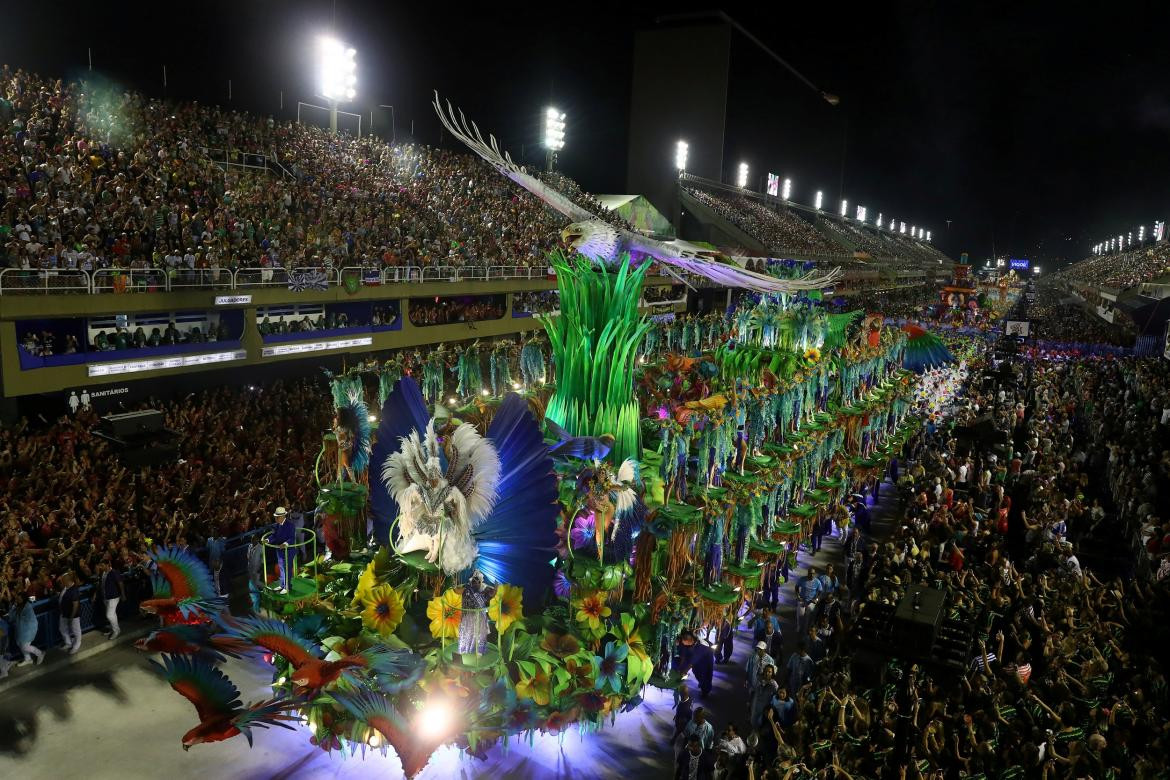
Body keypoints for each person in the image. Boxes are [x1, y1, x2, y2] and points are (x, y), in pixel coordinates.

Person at [97, 558, 124, 640]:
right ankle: (113, 629)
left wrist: (123, 594)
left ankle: (116, 631)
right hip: (106, 597)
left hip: (114, 597)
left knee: (109, 615)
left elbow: (120, 583)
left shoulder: (114, 572)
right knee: (112, 615)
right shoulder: (103, 573)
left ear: (107, 565)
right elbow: (101, 584)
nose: (101, 567)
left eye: (102, 565)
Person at [270, 506, 296, 592]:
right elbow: (273, 536)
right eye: (276, 517)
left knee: (287, 569)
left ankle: (287, 587)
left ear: (283, 516)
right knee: (281, 568)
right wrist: (267, 540)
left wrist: (285, 544)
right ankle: (282, 585)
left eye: (277, 517)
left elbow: (292, 538)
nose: (276, 518)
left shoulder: (290, 525)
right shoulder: (276, 526)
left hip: (288, 551)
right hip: (280, 551)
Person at [14, 596, 44, 665]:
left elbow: (35, 598)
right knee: (20, 644)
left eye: (19, 598)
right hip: (21, 629)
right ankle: (27, 659)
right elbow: (12, 616)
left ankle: (40, 653)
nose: (17, 599)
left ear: (23, 598)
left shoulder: (27, 606)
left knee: (25, 646)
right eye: (17, 598)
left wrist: (28, 598)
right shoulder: (17, 606)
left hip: (29, 629)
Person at [58, 572, 82, 654]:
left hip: (73, 615)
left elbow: (75, 605)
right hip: (64, 613)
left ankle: (76, 646)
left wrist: (72, 617)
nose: (61, 582)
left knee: (76, 631)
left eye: (63, 580)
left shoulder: (74, 590)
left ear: (68, 581)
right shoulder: (65, 588)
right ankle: (68, 643)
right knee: (62, 628)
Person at [795, 566, 822, 634]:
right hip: (802, 599)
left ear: (814, 574)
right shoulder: (802, 579)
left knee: (810, 615)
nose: (811, 575)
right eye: (810, 573)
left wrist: (817, 599)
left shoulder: (817, 582)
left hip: (811, 601)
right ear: (808, 573)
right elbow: (797, 587)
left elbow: (820, 591)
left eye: (813, 573)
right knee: (800, 614)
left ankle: (808, 628)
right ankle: (799, 626)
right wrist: (798, 595)